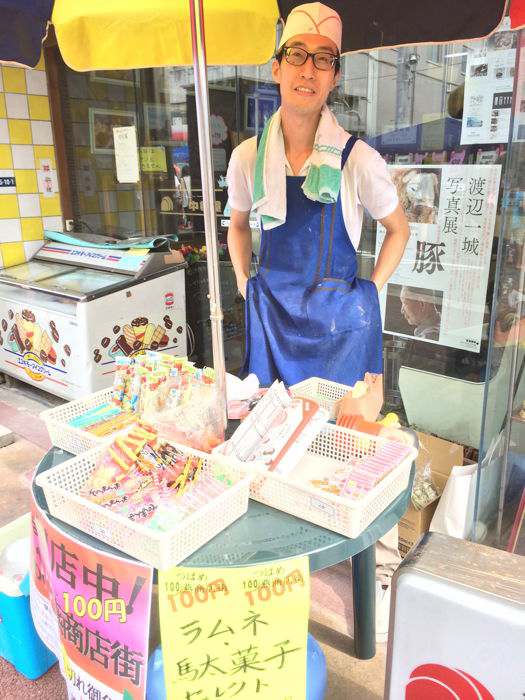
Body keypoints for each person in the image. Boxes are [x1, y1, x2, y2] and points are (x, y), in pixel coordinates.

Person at [226, 2, 410, 641]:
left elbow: (397, 228)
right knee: (271, 447)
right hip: (273, 317)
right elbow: (238, 226)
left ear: (334, 77)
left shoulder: (358, 159)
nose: (309, 69)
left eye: (323, 59)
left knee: (346, 451)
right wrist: (247, 284)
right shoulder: (250, 156)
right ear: (277, 68)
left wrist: (370, 293)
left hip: (339, 323)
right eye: (297, 55)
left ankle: (357, 582)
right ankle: (273, 571)